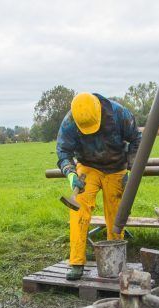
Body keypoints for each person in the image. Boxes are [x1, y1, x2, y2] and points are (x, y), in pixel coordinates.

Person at [56, 92, 141, 280]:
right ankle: (76, 262)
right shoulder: (70, 121)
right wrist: (70, 173)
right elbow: (63, 151)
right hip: (88, 167)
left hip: (116, 168)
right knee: (78, 207)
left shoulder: (120, 114)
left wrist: (132, 169)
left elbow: (137, 139)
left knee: (115, 212)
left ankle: (116, 259)